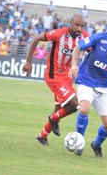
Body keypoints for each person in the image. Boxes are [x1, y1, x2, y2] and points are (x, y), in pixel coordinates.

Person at [23, 13, 88, 146]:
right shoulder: (59, 34)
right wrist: (28, 62)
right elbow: (37, 38)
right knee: (75, 105)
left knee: (59, 109)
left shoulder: (84, 37)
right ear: (71, 23)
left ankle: (42, 136)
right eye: (77, 25)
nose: (79, 28)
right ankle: (53, 119)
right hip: (54, 76)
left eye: (82, 26)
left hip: (67, 77)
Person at [70, 15, 107, 157]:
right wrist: (74, 64)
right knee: (84, 109)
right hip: (86, 81)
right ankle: (79, 141)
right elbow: (79, 47)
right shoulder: (99, 38)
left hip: (104, 88)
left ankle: (96, 144)